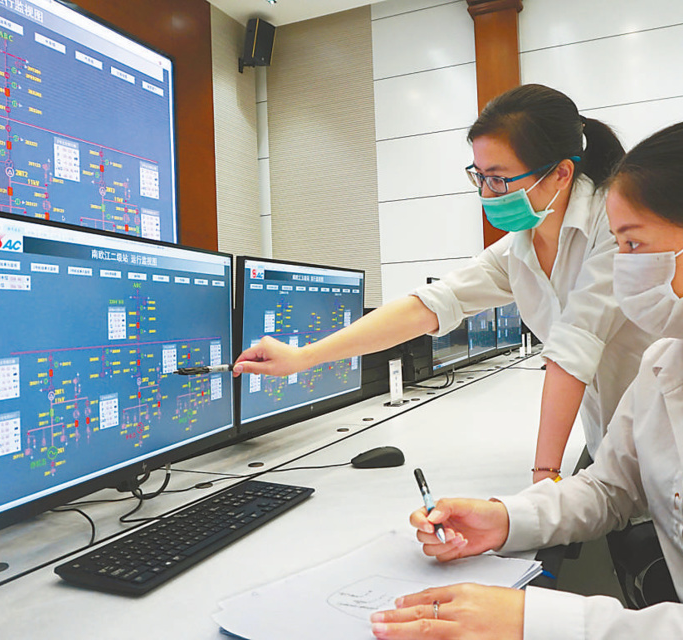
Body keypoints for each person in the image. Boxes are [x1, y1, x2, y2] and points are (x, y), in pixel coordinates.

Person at [369, 117, 683, 639]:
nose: (620, 270)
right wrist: (504, 519)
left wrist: (535, 621)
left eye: (632, 247)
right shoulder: (666, 364)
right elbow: (611, 488)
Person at [234, 84, 655, 482]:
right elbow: (433, 304)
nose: (488, 194)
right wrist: (305, 356)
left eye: (500, 179)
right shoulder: (520, 248)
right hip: (614, 448)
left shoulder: (615, 228)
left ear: (561, 174)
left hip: (666, 441)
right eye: (480, 176)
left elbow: (574, 346)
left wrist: (544, 479)